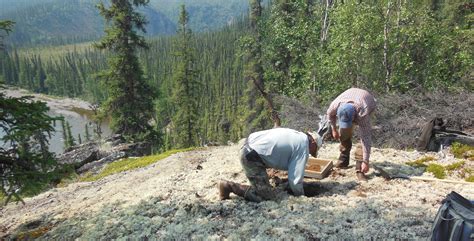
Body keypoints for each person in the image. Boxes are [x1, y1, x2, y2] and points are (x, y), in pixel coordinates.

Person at [218, 128, 322, 202]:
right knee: (265, 197)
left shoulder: (297, 135)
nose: (310, 154)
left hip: (248, 143)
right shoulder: (303, 146)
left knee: (263, 184)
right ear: (313, 142)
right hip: (251, 156)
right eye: (313, 151)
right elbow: (295, 179)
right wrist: (301, 197)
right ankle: (229, 186)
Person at [326, 88, 376, 181]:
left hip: (368, 103)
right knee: (344, 133)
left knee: (362, 141)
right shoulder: (334, 106)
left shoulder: (363, 113)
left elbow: (366, 138)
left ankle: (360, 168)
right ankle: (343, 160)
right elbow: (330, 115)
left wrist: (366, 161)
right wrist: (334, 129)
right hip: (351, 98)